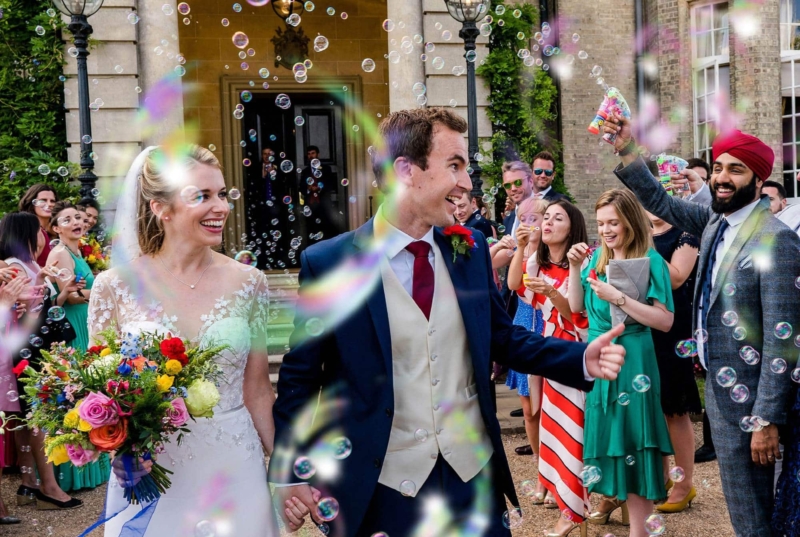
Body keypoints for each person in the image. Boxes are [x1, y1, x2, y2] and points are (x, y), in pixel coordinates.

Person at [268, 108, 627, 537]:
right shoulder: (330, 263)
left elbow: (502, 336)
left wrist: (580, 357)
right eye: (454, 165)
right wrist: (288, 473)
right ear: (405, 170)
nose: (467, 183)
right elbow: (300, 379)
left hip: (472, 481)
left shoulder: (470, 247)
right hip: (380, 489)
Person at [604, 112, 800, 537]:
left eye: (736, 169)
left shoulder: (777, 240)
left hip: (754, 403)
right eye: (717, 168)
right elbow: (660, 202)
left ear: (758, 177)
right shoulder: (714, 222)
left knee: (761, 513)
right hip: (721, 390)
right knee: (743, 507)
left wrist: (766, 418)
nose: (722, 177)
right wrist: (627, 150)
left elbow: (785, 339)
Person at [90, 145, 280, 537]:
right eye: (202, 196)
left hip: (233, 464)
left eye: (222, 194)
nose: (221, 207)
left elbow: (258, 388)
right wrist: (119, 451)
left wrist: (285, 468)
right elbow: (97, 395)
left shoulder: (250, 283)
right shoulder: (114, 287)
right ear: (162, 208)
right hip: (153, 469)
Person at [568, 189, 675, 537]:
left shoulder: (651, 260)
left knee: (634, 443)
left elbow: (664, 321)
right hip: (602, 361)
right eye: (600, 223)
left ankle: (640, 532)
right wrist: (573, 267)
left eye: (613, 222)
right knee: (617, 444)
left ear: (630, 221)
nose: (606, 230)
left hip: (634, 362)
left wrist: (620, 297)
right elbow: (576, 307)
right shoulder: (596, 258)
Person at [0, 212, 84, 510]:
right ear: (26, 232)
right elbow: (19, 321)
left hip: (38, 348)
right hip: (26, 352)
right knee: (38, 418)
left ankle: (29, 485)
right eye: (39, 230)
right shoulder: (13, 267)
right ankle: (49, 487)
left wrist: (62, 292)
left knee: (27, 418)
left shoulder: (33, 265)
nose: (43, 235)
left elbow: (48, 309)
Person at [524, 199, 590, 537]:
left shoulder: (583, 263)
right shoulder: (542, 263)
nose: (548, 222)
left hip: (573, 355)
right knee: (553, 427)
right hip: (551, 354)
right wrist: (528, 245)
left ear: (572, 226)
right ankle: (560, 495)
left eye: (557, 218)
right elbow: (515, 289)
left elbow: (577, 317)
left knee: (572, 429)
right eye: (545, 216)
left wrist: (551, 291)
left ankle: (573, 510)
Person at [645, 210, 702, 514]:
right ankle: (663, 477)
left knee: (674, 409)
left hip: (673, 331)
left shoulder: (685, 235)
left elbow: (677, 278)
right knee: (652, 406)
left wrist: (644, 246)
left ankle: (685, 483)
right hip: (643, 327)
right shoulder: (640, 234)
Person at [504, 198, 548, 465]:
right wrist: (520, 248)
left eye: (535, 218)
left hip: (546, 321)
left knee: (548, 404)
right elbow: (511, 283)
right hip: (523, 321)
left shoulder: (553, 252)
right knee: (529, 408)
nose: (529, 224)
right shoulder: (520, 251)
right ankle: (540, 466)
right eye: (523, 218)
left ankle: (556, 469)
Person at [18, 184, 58, 267]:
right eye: (43, 200)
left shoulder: (54, 231)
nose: (49, 204)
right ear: (32, 204)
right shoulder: (28, 230)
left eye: (52, 201)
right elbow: (26, 265)